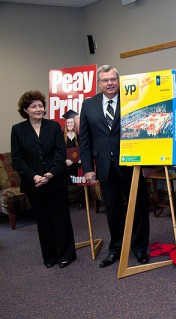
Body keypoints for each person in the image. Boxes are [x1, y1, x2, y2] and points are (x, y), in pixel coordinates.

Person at [79, 65, 150, 268]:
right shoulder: (89, 105)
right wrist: (88, 168)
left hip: (132, 164)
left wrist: (148, 162)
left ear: (119, 81)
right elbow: (85, 139)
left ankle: (139, 248)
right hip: (104, 167)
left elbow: (144, 130)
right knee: (113, 210)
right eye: (105, 80)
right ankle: (116, 248)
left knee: (137, 206)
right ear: (99, 83)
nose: (110, 83)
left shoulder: (132, 98)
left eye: (113, 79)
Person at [11, 90, 76, 268]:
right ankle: (50, 256)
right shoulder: (17, 130)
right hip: (34, 183)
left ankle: (66, 255)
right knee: (43, 221)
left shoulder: (54, 126)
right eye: (34, 106)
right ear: (25, 109)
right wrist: (35, 176)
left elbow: (60, 152)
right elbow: (17, 158)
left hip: (55, 180)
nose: (39, 109)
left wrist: (51, 173)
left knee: (61, 218)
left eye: (41, 105)